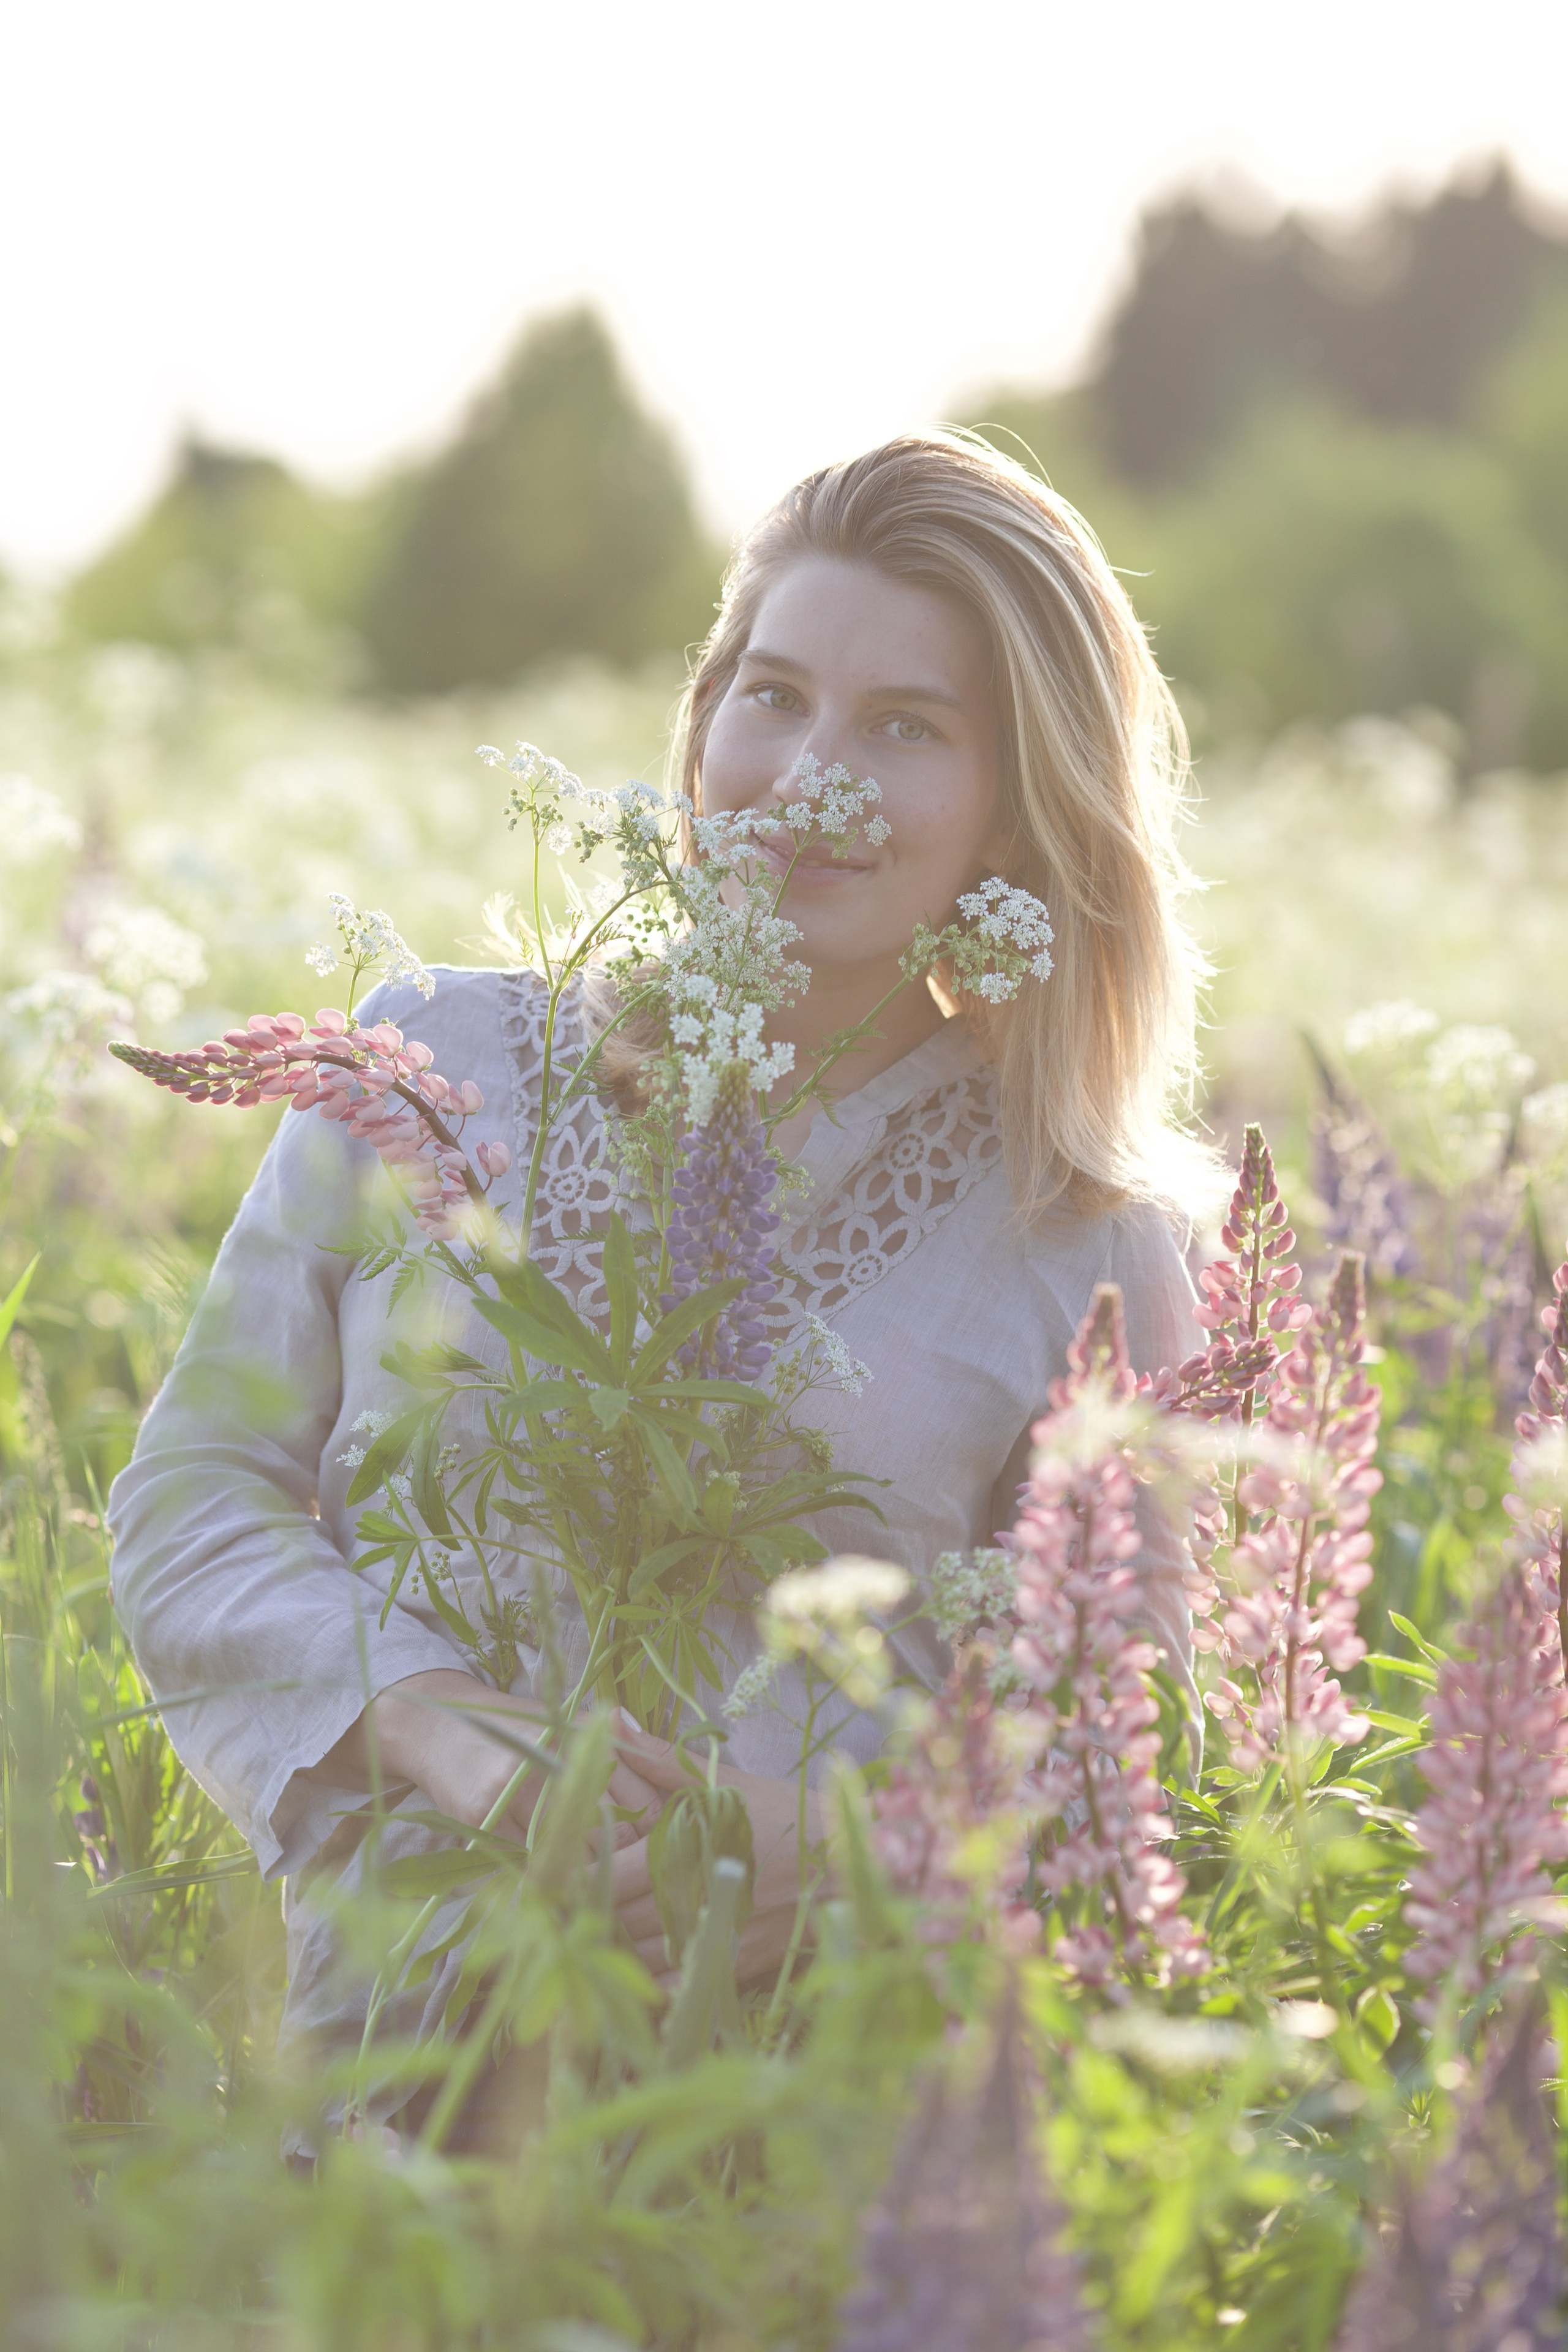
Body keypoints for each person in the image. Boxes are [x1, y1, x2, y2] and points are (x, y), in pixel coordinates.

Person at [108, 432, 1215, 2149]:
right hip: (374, 2087)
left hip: (779, 2129)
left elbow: (1114, 1748)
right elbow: (195, 1499)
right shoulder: (434, 1062)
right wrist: (422, 1710)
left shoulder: (1084, 1236)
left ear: (1024, 800)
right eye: (772, 696)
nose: (807, 776)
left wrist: (841, 1845)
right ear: (700, 723)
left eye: (906, 727)